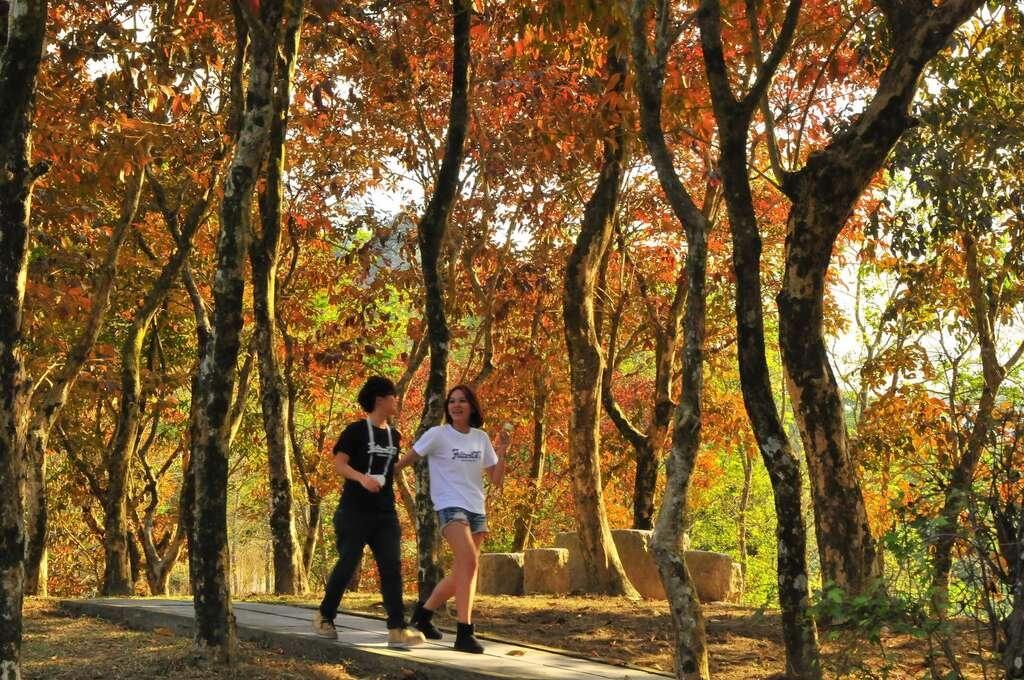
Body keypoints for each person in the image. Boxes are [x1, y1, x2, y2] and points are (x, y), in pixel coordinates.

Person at [311, 376, 425, 649]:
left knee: (391, 567)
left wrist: (412, 459)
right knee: (348, 562)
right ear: (379, 399)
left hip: (385, 512)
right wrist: (362, 478)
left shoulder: (394, 436)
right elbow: (339, 464)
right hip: (354, 510)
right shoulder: (356, 431)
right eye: (393, 396)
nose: (397, 400)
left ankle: (398, 628)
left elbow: (390, 469)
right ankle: (324, 616)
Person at [395, 384, 508, 654]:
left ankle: (422, 617)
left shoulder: (480, 438)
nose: (456, 405)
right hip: (449, 506)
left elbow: (497, 480)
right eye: (452, 401)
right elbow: (407, 459)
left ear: (472, 407)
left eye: (462, 401)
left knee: (462, 570)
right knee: (470, 563)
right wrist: (382, 475)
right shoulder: (438, 434)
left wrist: (502, 452)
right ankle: (464, 632)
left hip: (476, 509)